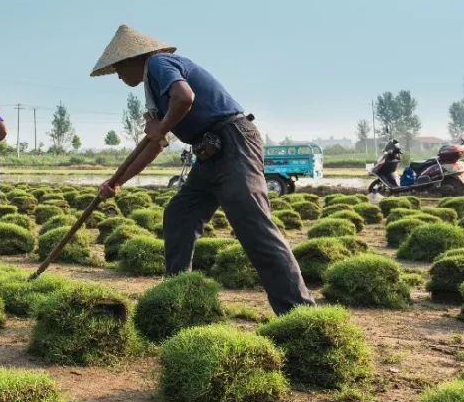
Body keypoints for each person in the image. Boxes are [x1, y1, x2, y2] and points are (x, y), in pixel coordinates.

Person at [91, 24, 313, 314]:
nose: (118, 75)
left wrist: (161, 127)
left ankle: (300, 313)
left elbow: (184, 97)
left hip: (233, 142)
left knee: (254, 227)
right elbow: (154, 145)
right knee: (180, 215)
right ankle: (177, 298)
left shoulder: (159, 63)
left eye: (119, 67)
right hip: (209, 151)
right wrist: (118, 181)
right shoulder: (153, 93)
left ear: (134, 58)